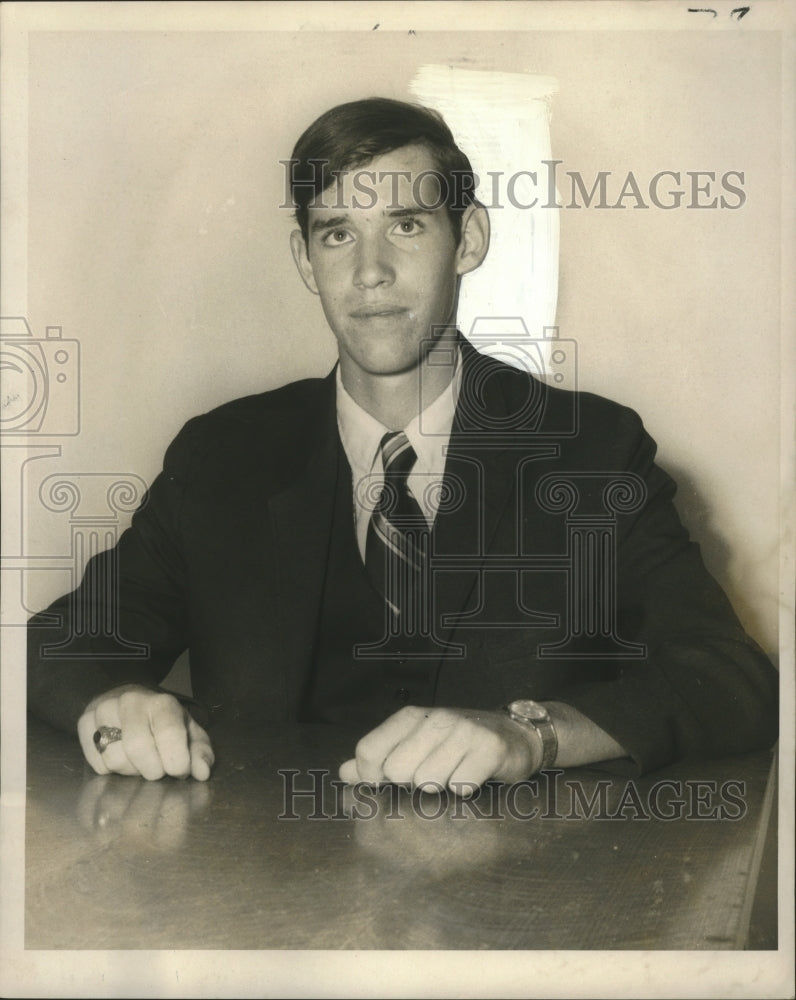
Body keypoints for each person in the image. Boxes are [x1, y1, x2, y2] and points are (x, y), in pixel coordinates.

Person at [27, 98, 778, 793]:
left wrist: (532, 737)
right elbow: (58, 643)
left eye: (407, 225)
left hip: (516, 903)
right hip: (273, 896)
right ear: (304, 261)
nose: (371, 271)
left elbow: (730, 678)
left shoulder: (592, 450)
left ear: (469, 239)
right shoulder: (222, 456)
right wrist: (116, 699)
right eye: (337, 233)